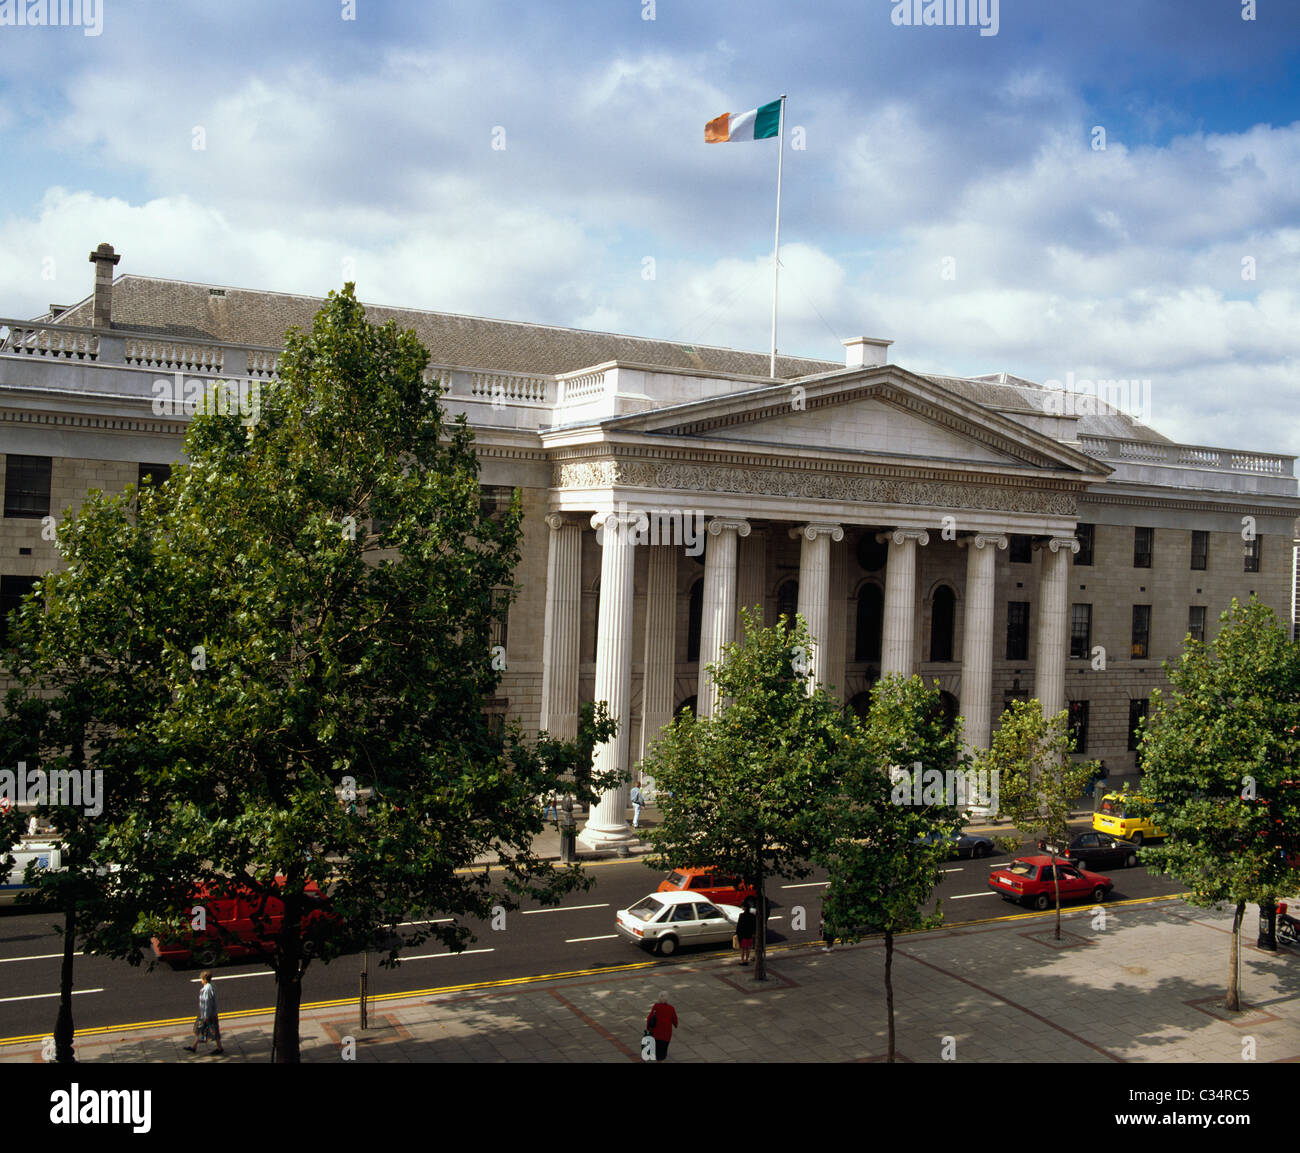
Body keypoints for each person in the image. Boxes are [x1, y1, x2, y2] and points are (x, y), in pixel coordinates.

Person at [184, 970, 223, 1055]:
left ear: (205, 979)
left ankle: (219, 1048)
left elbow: (206, 1003)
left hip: (208, 1015)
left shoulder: (207, 989)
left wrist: (205, 1016)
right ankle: (194, 1046)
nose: (200, 980)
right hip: (209, 1013)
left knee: (212, 1030)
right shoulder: (212, 985)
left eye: (201, 979)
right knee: (202, 1030)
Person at [644, 994, 678, 1062]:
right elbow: (674, 1019)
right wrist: (675, 1024)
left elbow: (650, 1017)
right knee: (662, 1051)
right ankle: (660, 1060)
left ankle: (657, 1058)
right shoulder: (671, 1008)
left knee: (656, 1048)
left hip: (655, 1033)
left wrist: (648, 1027)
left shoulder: (656, 1007)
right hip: (666, 1035)